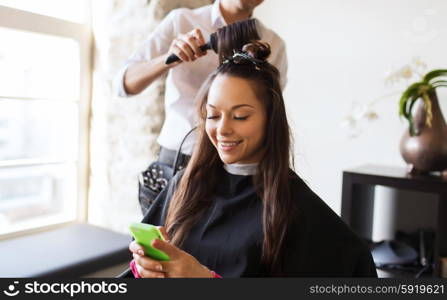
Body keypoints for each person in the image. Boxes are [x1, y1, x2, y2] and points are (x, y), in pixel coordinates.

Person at [122, 41, 377, 278]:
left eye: (240, 116)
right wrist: (146, 267)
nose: (222, 129)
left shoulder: (296, 208)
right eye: (213, 115)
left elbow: (358, 266)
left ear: (270, 120)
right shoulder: (185, 184)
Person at [115, 0, 288, 209]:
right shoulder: (182, 21)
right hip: (176, 164)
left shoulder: (273, 44)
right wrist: (169, 58)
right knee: (158, 242)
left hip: (234, 172)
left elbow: (269, 115)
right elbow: (123, 84)